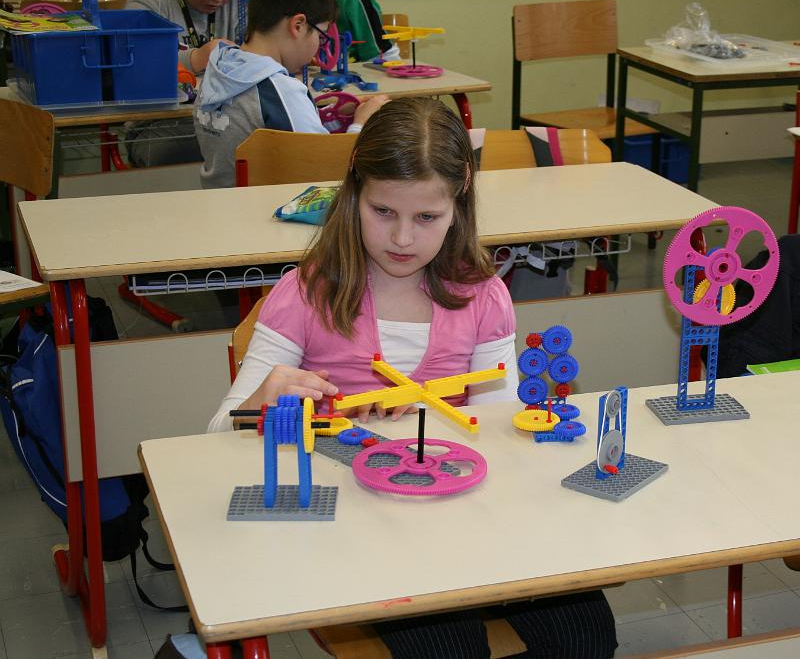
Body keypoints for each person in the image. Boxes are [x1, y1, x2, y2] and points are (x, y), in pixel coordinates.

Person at [207, 97, 619, 659]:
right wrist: (263, 399)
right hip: (361, 532)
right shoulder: (304, 294)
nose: (402, 238)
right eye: (382, 211)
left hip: (471, 518)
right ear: (354, 192)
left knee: (585, 637)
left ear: (459, 202)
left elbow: (506, 431)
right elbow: (215, 435)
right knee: (452, 652)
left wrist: (453, 422)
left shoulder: (482, 297)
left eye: (427, 218)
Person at [192, 0, 387, 189]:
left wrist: (330, 113)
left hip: (220, 199)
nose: (318, 47)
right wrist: (362, 124)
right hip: (269, 204)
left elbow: (265, 123)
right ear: (298, 26)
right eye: (321, 36)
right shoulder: (280, 90)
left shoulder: (218, 67)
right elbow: (328, 173)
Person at [124, 0, 241, 167]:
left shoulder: (241, 5)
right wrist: (196, 58)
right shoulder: (147, 5)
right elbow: (136, 63)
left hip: (227, 119)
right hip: (159, 124)